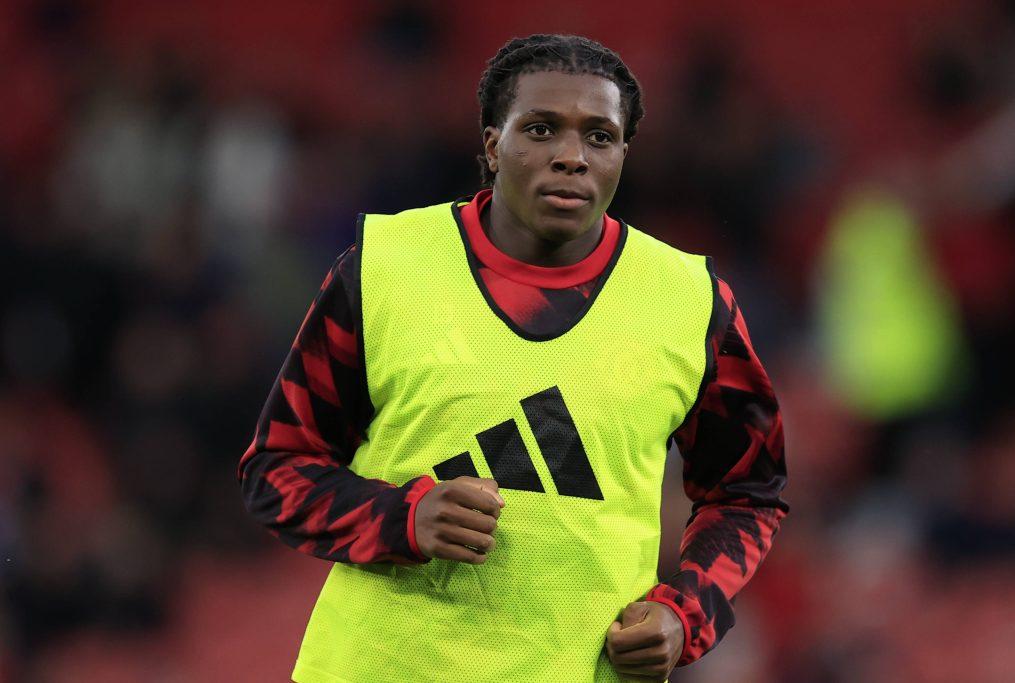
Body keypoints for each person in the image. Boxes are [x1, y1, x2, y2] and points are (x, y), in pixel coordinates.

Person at [238, 33, 788, 683]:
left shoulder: (690, 301)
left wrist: (682, 614)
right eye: (542, 129)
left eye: (600, 137)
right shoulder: (384, 268)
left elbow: (748, 494)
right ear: (493, 145)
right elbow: (277, 469)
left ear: (623, 155)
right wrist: (401, 518)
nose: (571, 157)